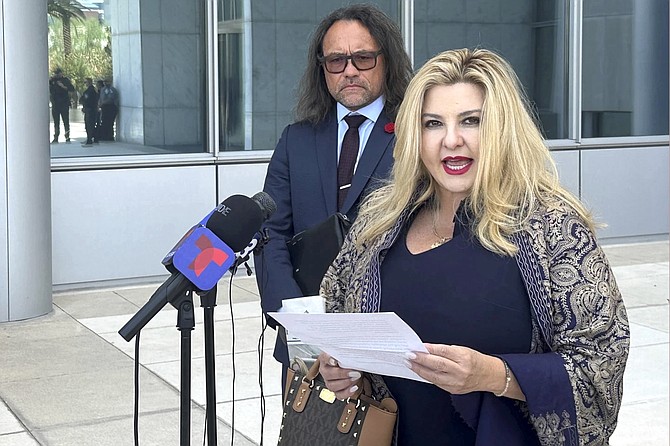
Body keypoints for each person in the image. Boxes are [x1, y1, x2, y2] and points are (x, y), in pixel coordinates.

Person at [318, 48, 630, 445]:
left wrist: (494, 376)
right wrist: (336, 365)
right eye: (433, 123)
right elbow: (334, 308)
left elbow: (601, 361)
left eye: (471, 121)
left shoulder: (553, 227)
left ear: (502, 129)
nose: (451, 140)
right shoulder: (380, 219)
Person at [254, 4, 413, 378]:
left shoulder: (417, 134)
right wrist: (302, 323)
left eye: (363, 58)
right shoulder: (297, 139)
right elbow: (270, 233)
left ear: (386, 61)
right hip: (307, 340)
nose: (350, 70)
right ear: (322, 68)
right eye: (337, 60)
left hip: (386, 337)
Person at [49, 67, 75, 143]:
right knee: (56, 122)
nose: (56, 74)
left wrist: (62, 86)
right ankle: (56, 137)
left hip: (64, 103)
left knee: (65, 121)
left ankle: (67, 136)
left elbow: (71, 89)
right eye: (55, 73)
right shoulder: (52, 80)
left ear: (61, 73)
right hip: (55, 104)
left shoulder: (65, 80)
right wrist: (50, 80)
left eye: (58, 73)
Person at [79, 77, 99, 146]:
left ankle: (90, 139)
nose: (85, 84)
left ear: (89, 82)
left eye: (86, 82)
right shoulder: (90, 90)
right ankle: (94, 138)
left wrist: (85, 106)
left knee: (89, 125)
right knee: (91, 125)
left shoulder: (90, 90)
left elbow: (86, 100)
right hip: (91, 109)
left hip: (90, 110)